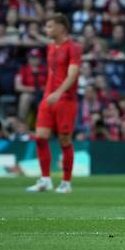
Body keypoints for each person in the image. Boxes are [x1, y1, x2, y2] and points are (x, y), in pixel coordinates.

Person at [26, 14, 81, 194]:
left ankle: (66, 183)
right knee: (40, 137)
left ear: (61, 28)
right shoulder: (51, 47)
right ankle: (45, 180)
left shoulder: (73, 48)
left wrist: (59, 92)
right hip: (48, 99)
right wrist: (49, 93)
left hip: (65, 100)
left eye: (50, 27)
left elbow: (72, 75)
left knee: (64, 140)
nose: (46, 30)